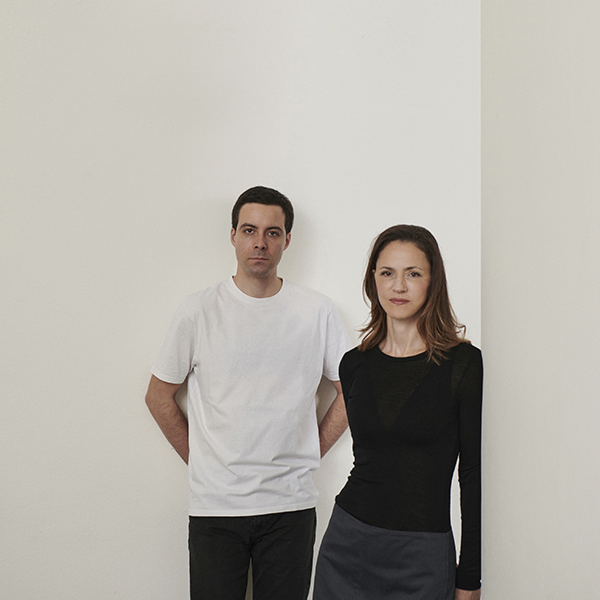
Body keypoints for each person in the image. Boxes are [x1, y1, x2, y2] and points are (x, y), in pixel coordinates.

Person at [145, 186, 351, 600]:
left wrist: (311, 450)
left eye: (272, 232)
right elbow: (158, 396)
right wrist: (203, 461)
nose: (260, 242)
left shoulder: (317, 311)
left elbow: (352, 393)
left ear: (287, 240)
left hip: (290, 506)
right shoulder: (198, 310)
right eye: (249, 230)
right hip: (216, 508)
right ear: (233, 236)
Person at [313, 224, 483, 600]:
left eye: (413, 274)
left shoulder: (464, 364)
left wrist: (470, 576)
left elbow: (473, 474)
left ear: (433, 281)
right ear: (373, 279)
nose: (399, 286)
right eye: (387, 273)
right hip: (347, 545)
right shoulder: (353, 365)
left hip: (422, 555)